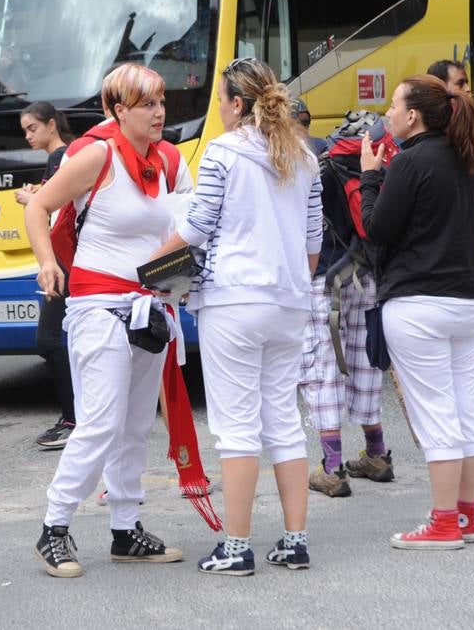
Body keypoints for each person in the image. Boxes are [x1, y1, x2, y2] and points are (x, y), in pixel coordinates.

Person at [151, 57, 322, 576]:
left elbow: (199, 225)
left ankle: (237, 545)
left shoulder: (225, 151)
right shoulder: (305, 155)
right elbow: (313, 242)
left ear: (238, 104)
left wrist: (154, 263)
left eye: (222, 101)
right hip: (290, 301)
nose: (220, 110)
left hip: (233, 300)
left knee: (236, 426)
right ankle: (294, 541)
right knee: (284, 421)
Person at [23, 64, 190, 579]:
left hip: (151, 307)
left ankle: (125, 528)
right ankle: (53, 527)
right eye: (147, 104)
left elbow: (188, 226)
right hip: (97, 304)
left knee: (137, 423)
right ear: (118, 110)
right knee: (99, 421)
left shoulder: (169, 159)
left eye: (162, 101)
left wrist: (171, 277)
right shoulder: (96, 153)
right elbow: (39, 208)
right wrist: (47, 261)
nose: (159, 112)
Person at [359, 74, 474, 550]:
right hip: (468, 300)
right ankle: (466, 517)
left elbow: (377, 227)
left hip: (418, 303)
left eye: (393, 106)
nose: (388, 114)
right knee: (466, 410)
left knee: (435, 415)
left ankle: (443, 521)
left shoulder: (411, 162)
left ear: (413, 115)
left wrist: (371, 176)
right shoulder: (470, 160)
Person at [299, 111, 397, 500]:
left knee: (322, 369)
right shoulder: (349, 155)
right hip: (365, 275)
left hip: (323, 279)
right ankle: (376, 453)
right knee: (364, 363)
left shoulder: (306, 163)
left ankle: (332, 466)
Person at [15, 102, 78, 450]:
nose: (28, 136)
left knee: (50, 339)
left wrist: (31, 199)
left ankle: (74, 417)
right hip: (62, 259)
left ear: (51, 125)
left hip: (61, 261)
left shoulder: (62, 158)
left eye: (32, 128)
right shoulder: (61, 158)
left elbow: (57, 206)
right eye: (25, 130)